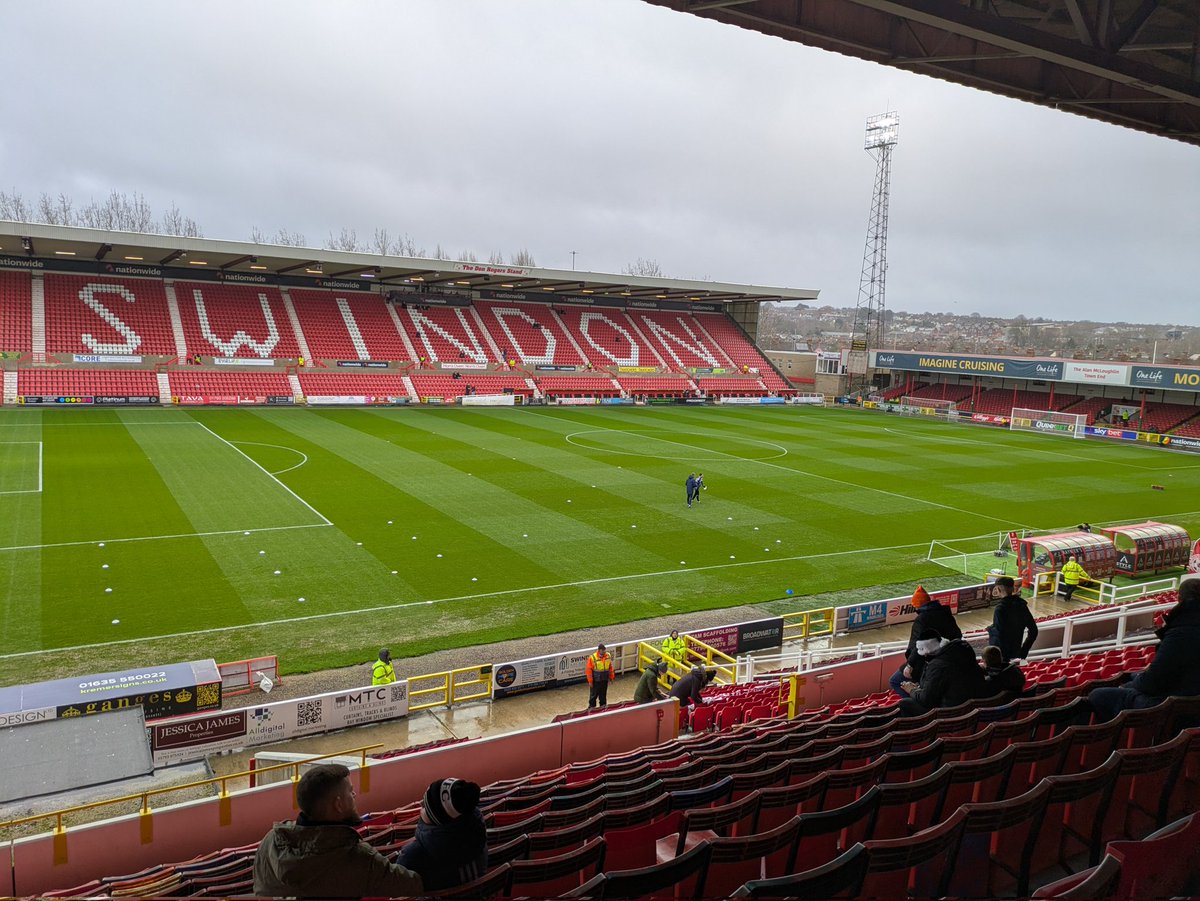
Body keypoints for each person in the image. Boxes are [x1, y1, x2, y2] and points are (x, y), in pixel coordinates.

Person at [253, 764, 422, 898]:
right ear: (338, 804)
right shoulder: (359, 858)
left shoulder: (271, 840)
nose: (354, 795)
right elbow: (413, 884)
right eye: (350, 791)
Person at [1088, 575, 1200, 722]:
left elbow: (1152, 683)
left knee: (1098, 695)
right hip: (1188, 696)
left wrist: (1130, 686)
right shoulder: (1185, 628)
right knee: (1133, 676)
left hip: (1171, 705)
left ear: (1179, 599)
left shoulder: (1181, 632)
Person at [395, 778, 487, 892]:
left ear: (435, 819)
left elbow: (397, 890)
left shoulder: (412, 855)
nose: (420, 803)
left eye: (424, 805)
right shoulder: (476, 831)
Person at [889, 586, 962, 697]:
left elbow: (918, 645)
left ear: (917, 605)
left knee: (895, 681)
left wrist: (910, 665)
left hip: (926, 663)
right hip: (946, 660)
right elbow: (957, 635)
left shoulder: (922, 619)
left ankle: (915, 702)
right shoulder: (946, 614)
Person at [898, 630, 986, 717]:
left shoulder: (938, 666)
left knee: (904, 703)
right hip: (972, 704)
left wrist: (912, 690)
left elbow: (927, 700)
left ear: (928, 652)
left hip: (953, 711)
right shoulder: (963, 651)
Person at [988, 576, 1039, 662]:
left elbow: (999, 632)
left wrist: (990, 629)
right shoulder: (1022, 605)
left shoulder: (1000, 608)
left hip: (1000, 655)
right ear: (1012, 588)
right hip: (1016, 651)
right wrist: (1024, 650)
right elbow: (1034, 630)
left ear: (998, 589)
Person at [586, 643, 615, 709]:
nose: (604, 651)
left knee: (603, 695)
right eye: (602, 650)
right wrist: (590, 682)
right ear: (599, 650)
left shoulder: (608, 656)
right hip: (596, 681)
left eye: (604, 650)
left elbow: (610, 667)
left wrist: (611, 677)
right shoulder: (592, 658)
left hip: (604, 680)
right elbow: (588, 671)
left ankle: (603, 707)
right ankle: (591, 708)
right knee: (593, 696)